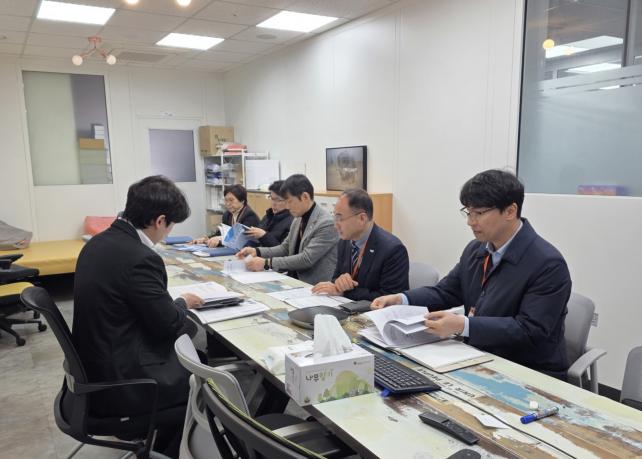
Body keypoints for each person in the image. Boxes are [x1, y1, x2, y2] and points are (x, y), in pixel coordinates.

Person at [372, 169, 572, 379]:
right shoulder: (476, 250)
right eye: (468, 212)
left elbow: (529, 330)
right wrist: (401, 299)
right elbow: (446, 292)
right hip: (478, 356)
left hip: (528, 371)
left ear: (510, 211)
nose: (471, 221)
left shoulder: (547, 264)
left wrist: (463, 325)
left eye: (479, 213)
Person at [73, 175, 204, 457]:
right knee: (205, 375)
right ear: (160, 220)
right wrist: (182, 305)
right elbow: (168, 326)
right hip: (124, 384)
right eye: (171, 225)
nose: (167, 233)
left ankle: (162, 445)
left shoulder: (97, 243)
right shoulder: (139, 257)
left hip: (94, 372)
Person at [237, 174, 338, 284]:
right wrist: (256, 251)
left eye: (290, 201)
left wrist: (266, 263)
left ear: (305, 197)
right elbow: (285, 248)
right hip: (292, 280)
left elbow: (306, 259)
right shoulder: (298, 219)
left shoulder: (326, 223)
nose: (288, 207)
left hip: (314, 285)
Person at [312, 189, 409, 301]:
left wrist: (345, 292)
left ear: (362, 219)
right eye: (334, 218)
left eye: (340, 218)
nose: (335, 225)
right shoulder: (344, 242)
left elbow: (390, 298)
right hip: (348, 307)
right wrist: (339, 282)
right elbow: (336, 278)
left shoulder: (393, 250)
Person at [193, 184, 260, 247]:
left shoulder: (250, 216)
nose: (228, 204)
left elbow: (239, 239)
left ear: (242, 200)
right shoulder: (227, 214)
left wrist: (219, 240)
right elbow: (221, 234)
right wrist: (206, 239)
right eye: (226, 200)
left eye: (231, 200)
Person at [244, 180, 293, 247]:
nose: (273, 203)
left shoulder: (292, 221)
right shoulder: (269, 215)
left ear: (289, 201)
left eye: (278, 200)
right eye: (272, 199)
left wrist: (263, 235)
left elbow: (284, 250)